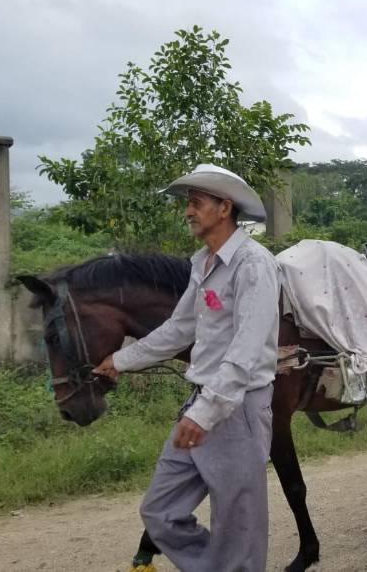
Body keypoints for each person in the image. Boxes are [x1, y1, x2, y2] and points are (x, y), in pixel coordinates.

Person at [92, 164, 279, 571]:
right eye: (188, 204)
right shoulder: (203, 263)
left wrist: (207, 411)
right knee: (160, 512)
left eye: (196, 203)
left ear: (224, 207)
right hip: (200, 402)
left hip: (237, 409)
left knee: (238, 527)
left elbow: (245, 352)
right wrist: (121, 360)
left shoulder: (254, 264)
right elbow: (180, 328)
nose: (187, 212)